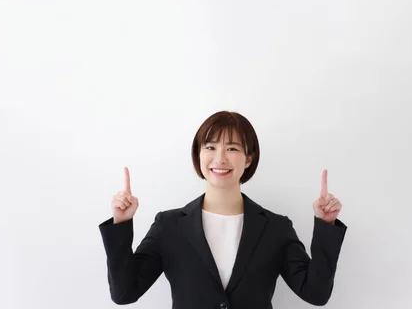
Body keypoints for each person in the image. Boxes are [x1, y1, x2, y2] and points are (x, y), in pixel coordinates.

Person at [98, 111, 347, 308]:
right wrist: (120, 224)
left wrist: (326, 226)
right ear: (198, 154)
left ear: (248, 159)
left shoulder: (276, 228)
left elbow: (316, 294)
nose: (220, 159)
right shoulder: (169, 226)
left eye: (232, 148)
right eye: (210, 147)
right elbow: (124, 293)